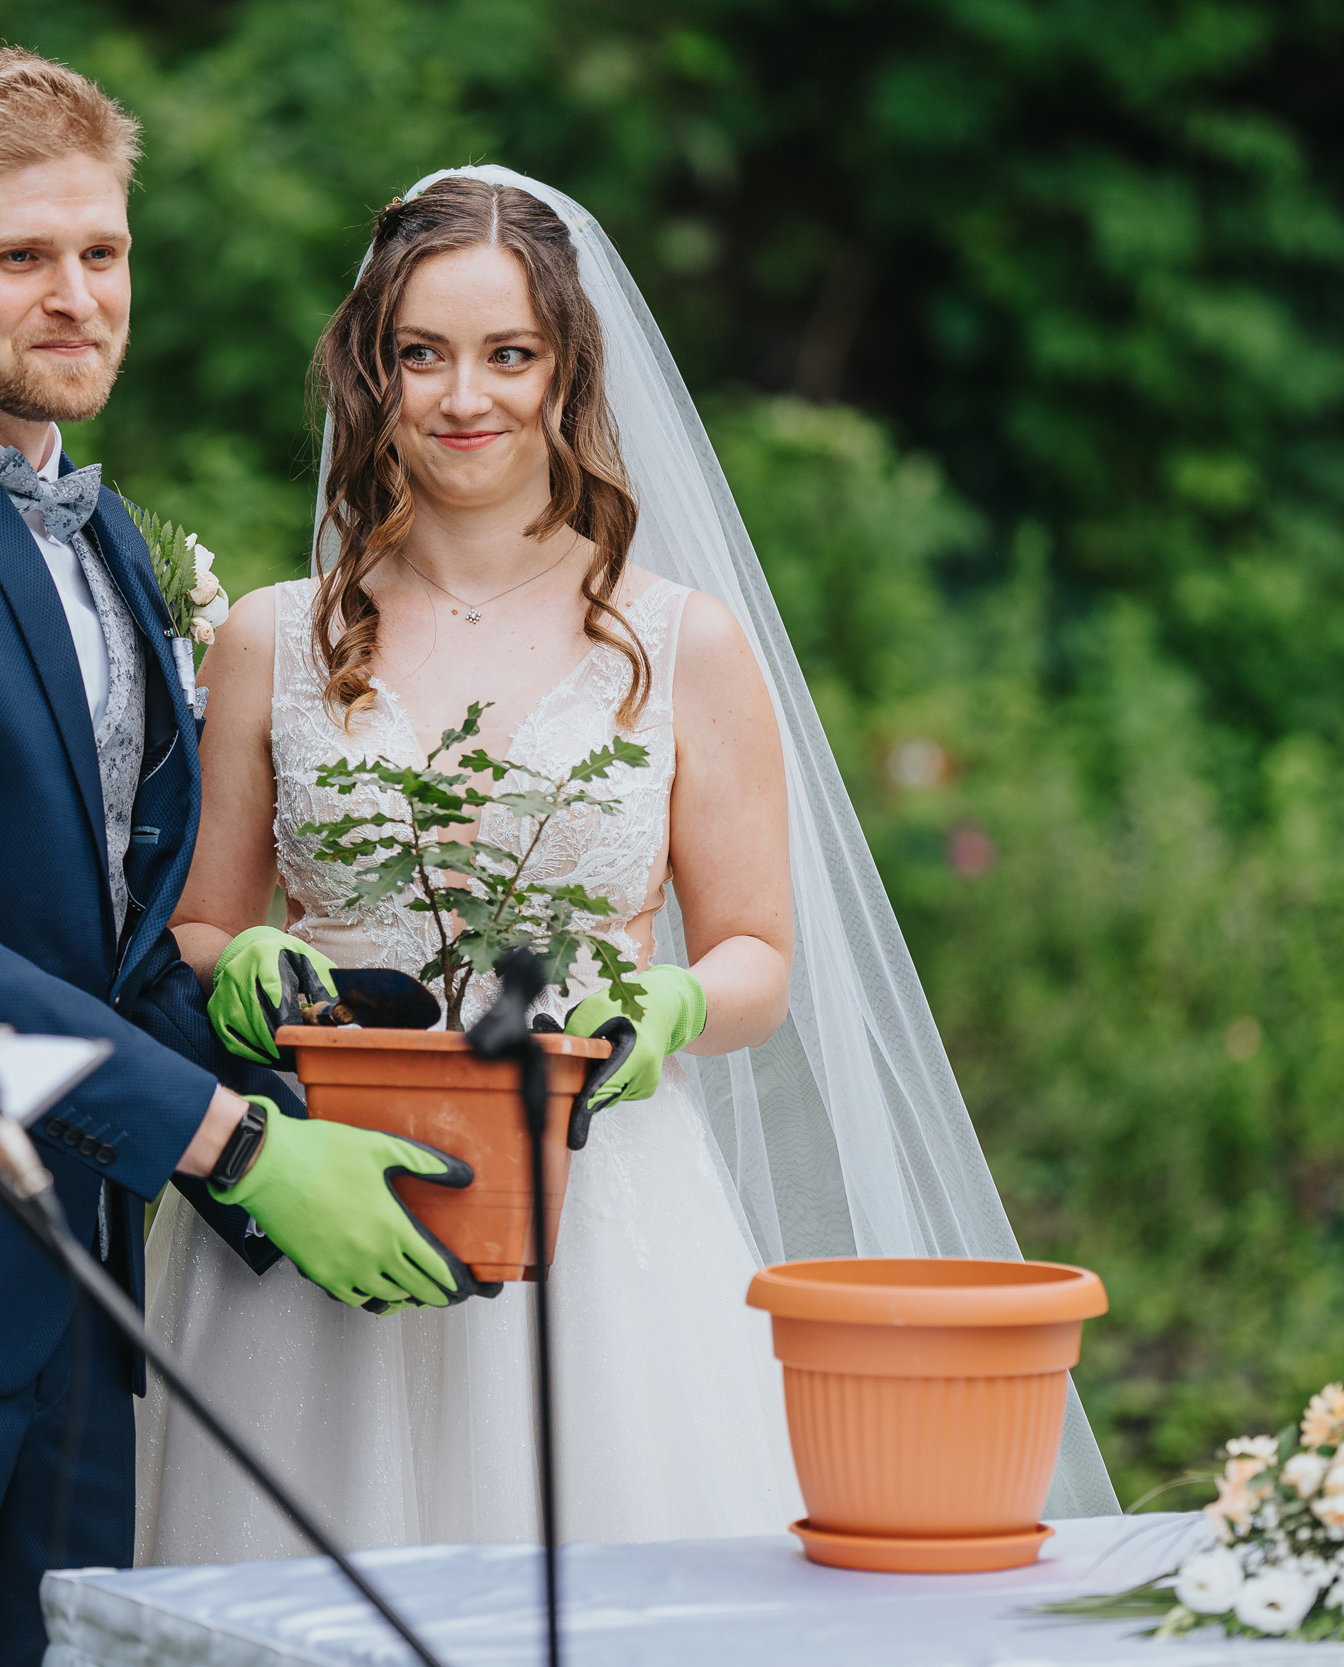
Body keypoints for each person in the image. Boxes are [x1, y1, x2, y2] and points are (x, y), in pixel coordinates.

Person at [138, 168, 1121, 1559]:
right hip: (328, 1193)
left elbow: (758, 957)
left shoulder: (678, 644)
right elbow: (194, 926)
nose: (463, 396)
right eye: (421, 353)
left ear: (570, 372)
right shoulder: (275, 637)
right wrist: (237, 960)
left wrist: (669, 1004)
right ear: (373, 372)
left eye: (509, 354)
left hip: (595, 1210)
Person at [0, 47, 478, 1667]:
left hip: (85, 1320)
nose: (78, 297)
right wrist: (241, 1151)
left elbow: (102, 941)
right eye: (24, 257)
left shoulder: (109, 536)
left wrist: (272, 1033)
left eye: (103, 251)